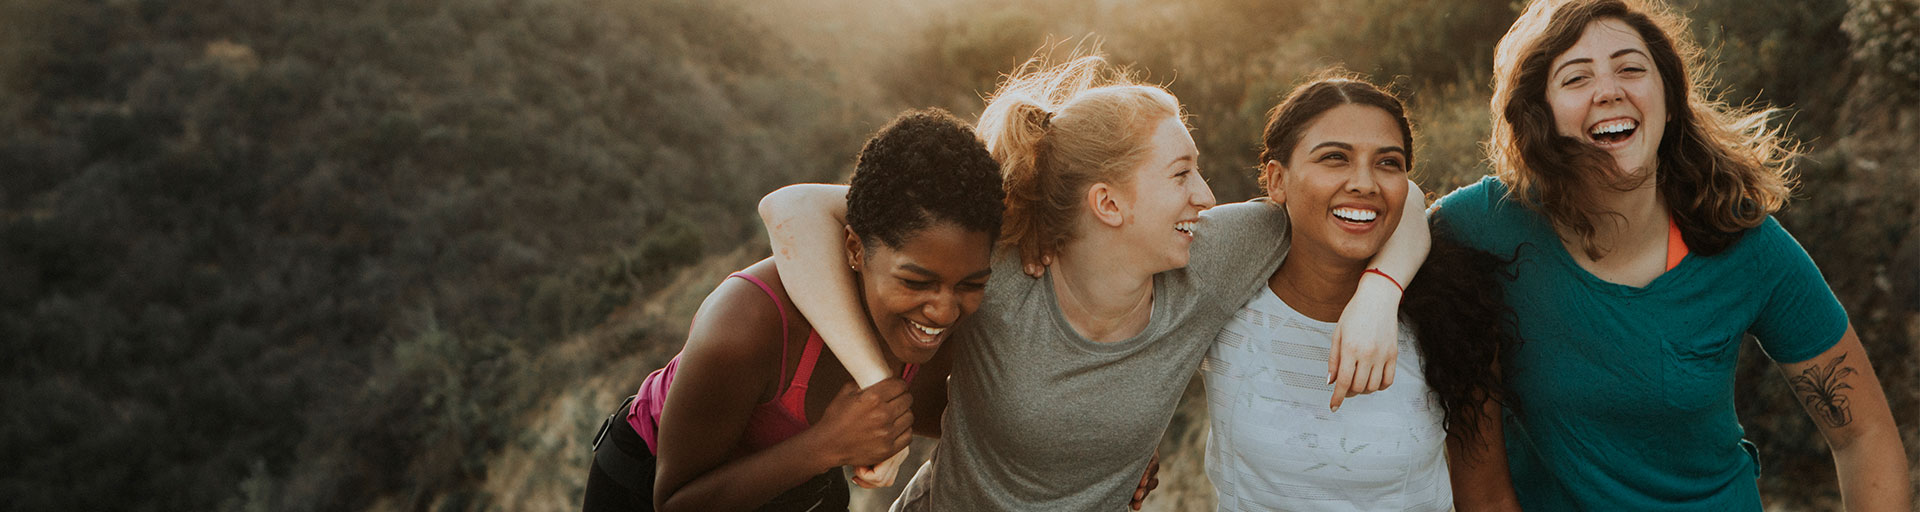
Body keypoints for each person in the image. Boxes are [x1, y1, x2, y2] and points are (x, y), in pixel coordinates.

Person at [758, 53, 1429, 511]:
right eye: (1180, 174)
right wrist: (878, 384)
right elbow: (791, 208)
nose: (1205, 195)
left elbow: (1396, 199)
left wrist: (1379, 291)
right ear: (1108, 204)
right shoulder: (1000, 267)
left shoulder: (1215, 254)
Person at [1431, 0, 1912, 509]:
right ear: (1538, 111)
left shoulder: (1743, 242)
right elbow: (1389, 220)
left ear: (1667, 95)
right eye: (1575, 78)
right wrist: (1382, 289)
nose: (1610, 90)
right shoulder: (1489, 221)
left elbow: (1863, 435)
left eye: (1631, 69)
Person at [580, 108, 1005, 511]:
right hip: (653, 486)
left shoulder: (933, 328)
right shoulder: (746, 325)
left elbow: (956, 416)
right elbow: (674, 501)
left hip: (799, 484)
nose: (945, 311)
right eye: (916, 282)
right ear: (855, 248)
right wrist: (829, 445)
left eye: (971, 284)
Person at [1203, 73, 1522, 511]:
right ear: (1276, 180)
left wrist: (1381, 293)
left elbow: (1486, 500)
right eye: (1334, 158)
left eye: (1388, 162)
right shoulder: (1226, 293)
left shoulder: (1452, 313)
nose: (1365, 183)